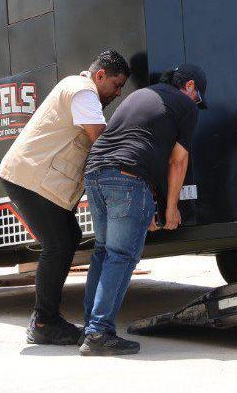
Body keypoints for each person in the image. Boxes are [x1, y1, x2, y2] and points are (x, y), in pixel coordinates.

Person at [0, 50, 131, 345]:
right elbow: (101, 139)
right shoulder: (83, 91)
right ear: (100, 76)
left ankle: (45, 318)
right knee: (58, 244)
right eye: (116, 85)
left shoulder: (77, 88)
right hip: (31, 178)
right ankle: (44, 321)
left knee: (68, 237)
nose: (118, 93)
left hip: (32, 178)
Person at [78, 64, 205, 356]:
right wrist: (171, 208)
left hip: (96, 171)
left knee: (103, 251)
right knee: (121, 256)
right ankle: (99, 332)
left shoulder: (139, 96)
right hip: (128, 178)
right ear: (188, 87)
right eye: (198, 95)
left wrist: (146, 206)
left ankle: (90, 327)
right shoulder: (186, 106)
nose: (197, 102)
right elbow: (177, 161)